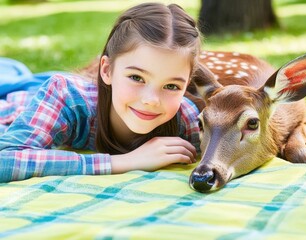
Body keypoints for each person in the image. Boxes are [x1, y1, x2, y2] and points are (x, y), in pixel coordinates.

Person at [0, 2, 202, 182]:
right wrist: (124, 162)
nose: (151, 100)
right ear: (106, 70)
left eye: (171, 86)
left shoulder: (188, 121)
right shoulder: (67, 96)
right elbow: (5, 160)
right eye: (136, 77)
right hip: (26, 104)